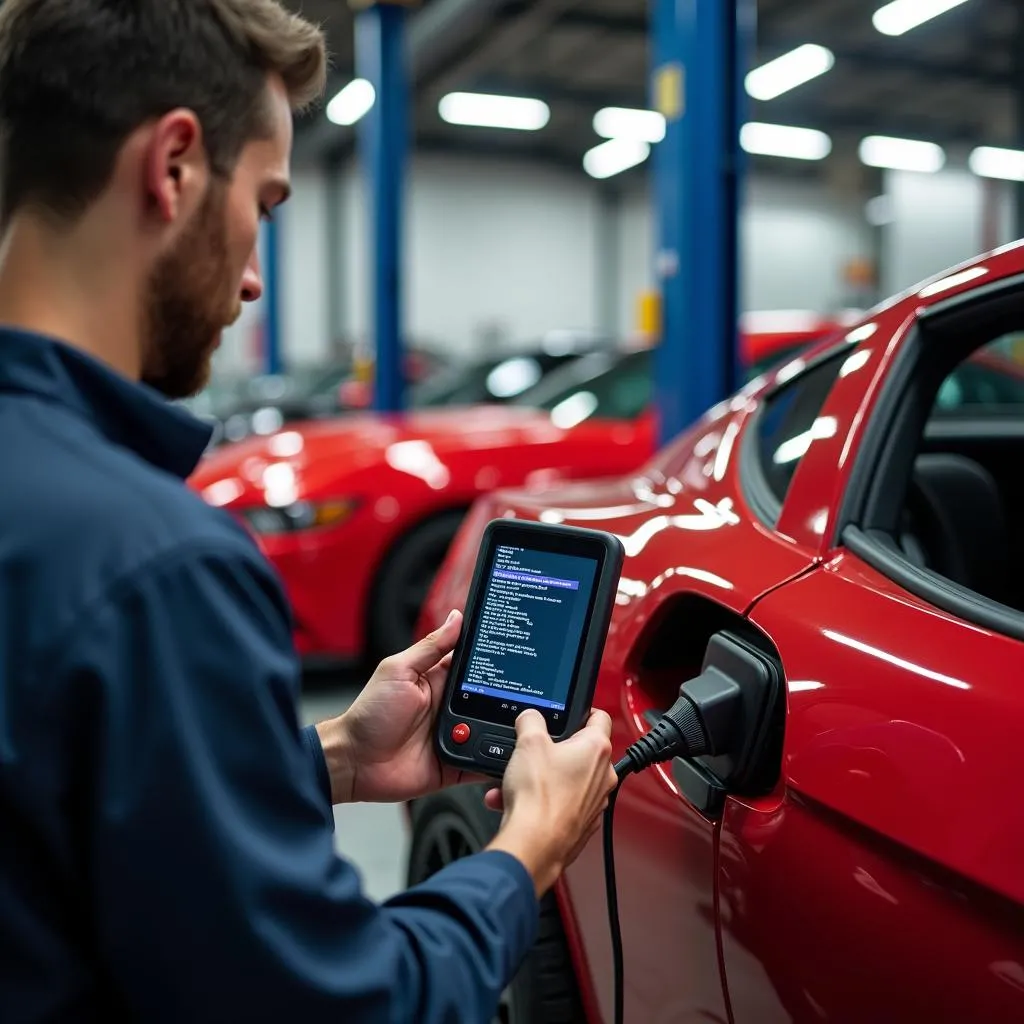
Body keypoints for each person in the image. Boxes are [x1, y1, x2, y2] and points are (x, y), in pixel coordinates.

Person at [0, 1, 618, 1021]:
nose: (251, 278)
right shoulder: (155, 564)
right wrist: (522, 855)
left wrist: (327, 756)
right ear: (175, 167)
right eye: (265, 203)